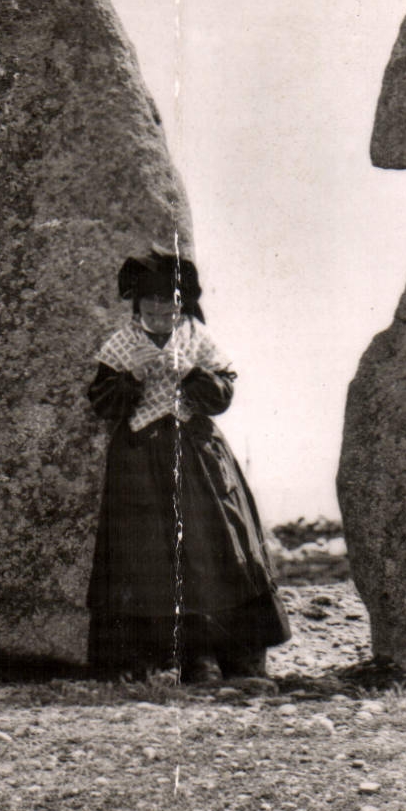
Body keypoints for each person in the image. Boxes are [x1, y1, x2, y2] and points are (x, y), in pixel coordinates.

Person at [85, 249, 290, 683]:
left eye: (169, 301)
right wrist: (131, 379)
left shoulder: (197, 337)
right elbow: (103, 403)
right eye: (150, 301)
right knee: (146, 558)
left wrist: (193, 374)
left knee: (213, 549)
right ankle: (168, 659)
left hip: (196, 456)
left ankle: (233, 657)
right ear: (136, 303)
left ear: (183, 303)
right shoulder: (120, 343)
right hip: (139, 462)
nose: (160, 310)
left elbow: (222, 394)